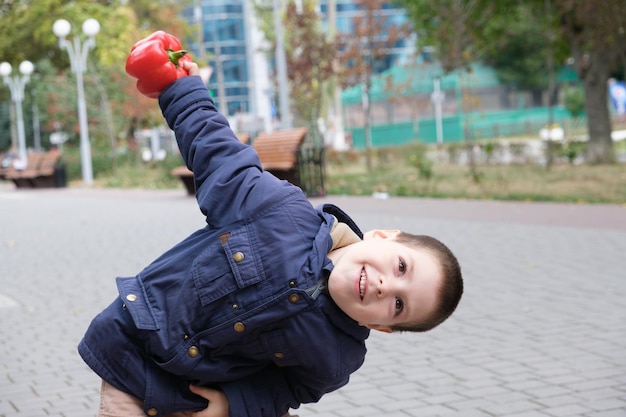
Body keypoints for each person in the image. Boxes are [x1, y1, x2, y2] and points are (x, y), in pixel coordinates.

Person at [78, 61, 463, 417]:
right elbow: (220, 157)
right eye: (400, 267)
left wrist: (233, 404)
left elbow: (287, 389)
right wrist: (181, 87)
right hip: (133, 347)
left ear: (382, 328)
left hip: (190, 399)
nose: (385, 286)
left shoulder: (337, 356)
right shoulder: (281, 212)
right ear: (382, 236)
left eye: (399, 304)